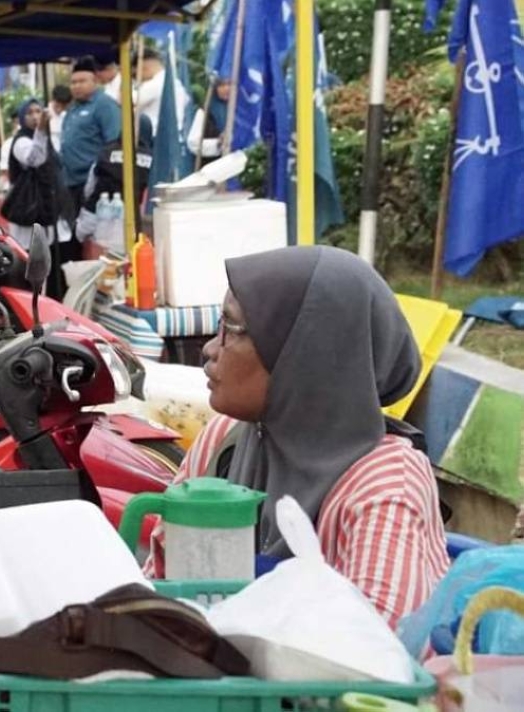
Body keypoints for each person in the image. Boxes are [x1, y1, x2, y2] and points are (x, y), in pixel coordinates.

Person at [147, 246, 449, 629]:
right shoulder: (224, 442)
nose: (209, 349)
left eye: (231, 329)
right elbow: (155, 588)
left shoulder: (385, 488)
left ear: (304, 354)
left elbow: (377, 651)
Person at [59, 56, 121, 284]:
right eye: (73, 82)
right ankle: (74, 281)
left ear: (95, 81)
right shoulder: (73, 108)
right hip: (70, 183)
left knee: (91, 238)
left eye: (82, 81)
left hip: (93, 185)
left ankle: (92, 283)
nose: (76, 86)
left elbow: (114, 143)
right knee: (72, 236)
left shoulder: (104, 105)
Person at [74, 113, 153, 258]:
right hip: (140, 232)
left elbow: (89, 189)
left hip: (101, 224)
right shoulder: (154, 160)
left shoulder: (105, 154)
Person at [0, 99, 72, 256]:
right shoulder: (21, 141)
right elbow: (35, 159)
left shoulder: (47, 138)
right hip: (30, 209)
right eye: (29, 113)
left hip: (50, 206)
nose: (34, 116)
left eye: (38, 112)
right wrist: (40, 131)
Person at [135, 47, 189, 136]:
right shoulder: (176, 83)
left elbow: (126, 102)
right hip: (175, 135)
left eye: (135, 73)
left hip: (155, 136)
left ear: (144, 68)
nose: (138, 78)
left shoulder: (154, 84)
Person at [187, 78, 230, 163]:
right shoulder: (205, 112)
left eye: (230, 84)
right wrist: (218, 143)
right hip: (213, 166)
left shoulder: (244, 114)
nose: (226, 88)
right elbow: (193, 144)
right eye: (221, 85)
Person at [48, 84, 71, 152]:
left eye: (63, 105)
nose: (60, 108)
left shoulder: (68, 117)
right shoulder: (45, 116)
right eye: (58, 104)